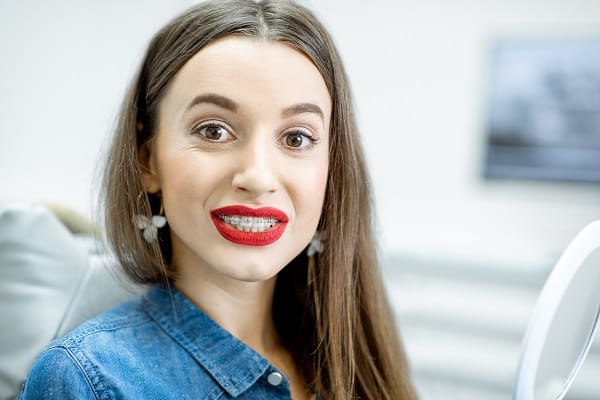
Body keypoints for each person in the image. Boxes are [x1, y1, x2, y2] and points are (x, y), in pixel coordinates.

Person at [20, 1, 416, 399]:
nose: (258, 177)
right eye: (213, 131)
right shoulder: (83, 379)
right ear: (147, 159)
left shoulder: (357, 364)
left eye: (297, 138)